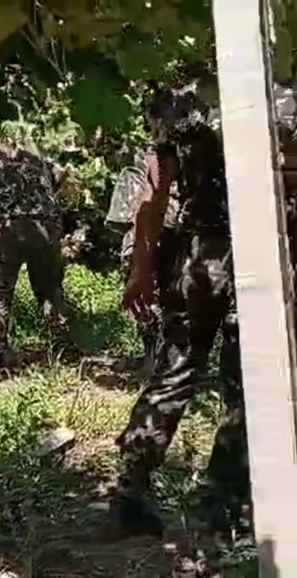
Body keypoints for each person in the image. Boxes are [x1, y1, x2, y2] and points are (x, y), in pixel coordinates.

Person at [108, 87, 248, 540]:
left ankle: (130, 492)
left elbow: (154, 193)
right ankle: (219, 506)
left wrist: (142, 269)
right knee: (247, 381)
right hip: (255, 250)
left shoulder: (175, 101)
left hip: (198, 254)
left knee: (176, 368)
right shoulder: (274, 86)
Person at [0, 131, 69, 377]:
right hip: (44, 224)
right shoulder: (33, 156)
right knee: (50, 287)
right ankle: (63, 346)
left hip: (3, 228)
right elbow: (58, 177)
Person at [104, 146, 181, 374]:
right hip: (170, 222)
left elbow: (147, 201)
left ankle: (155, 361)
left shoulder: (148, 153)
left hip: (149, 223)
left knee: (146, 296)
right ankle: (160, 358)